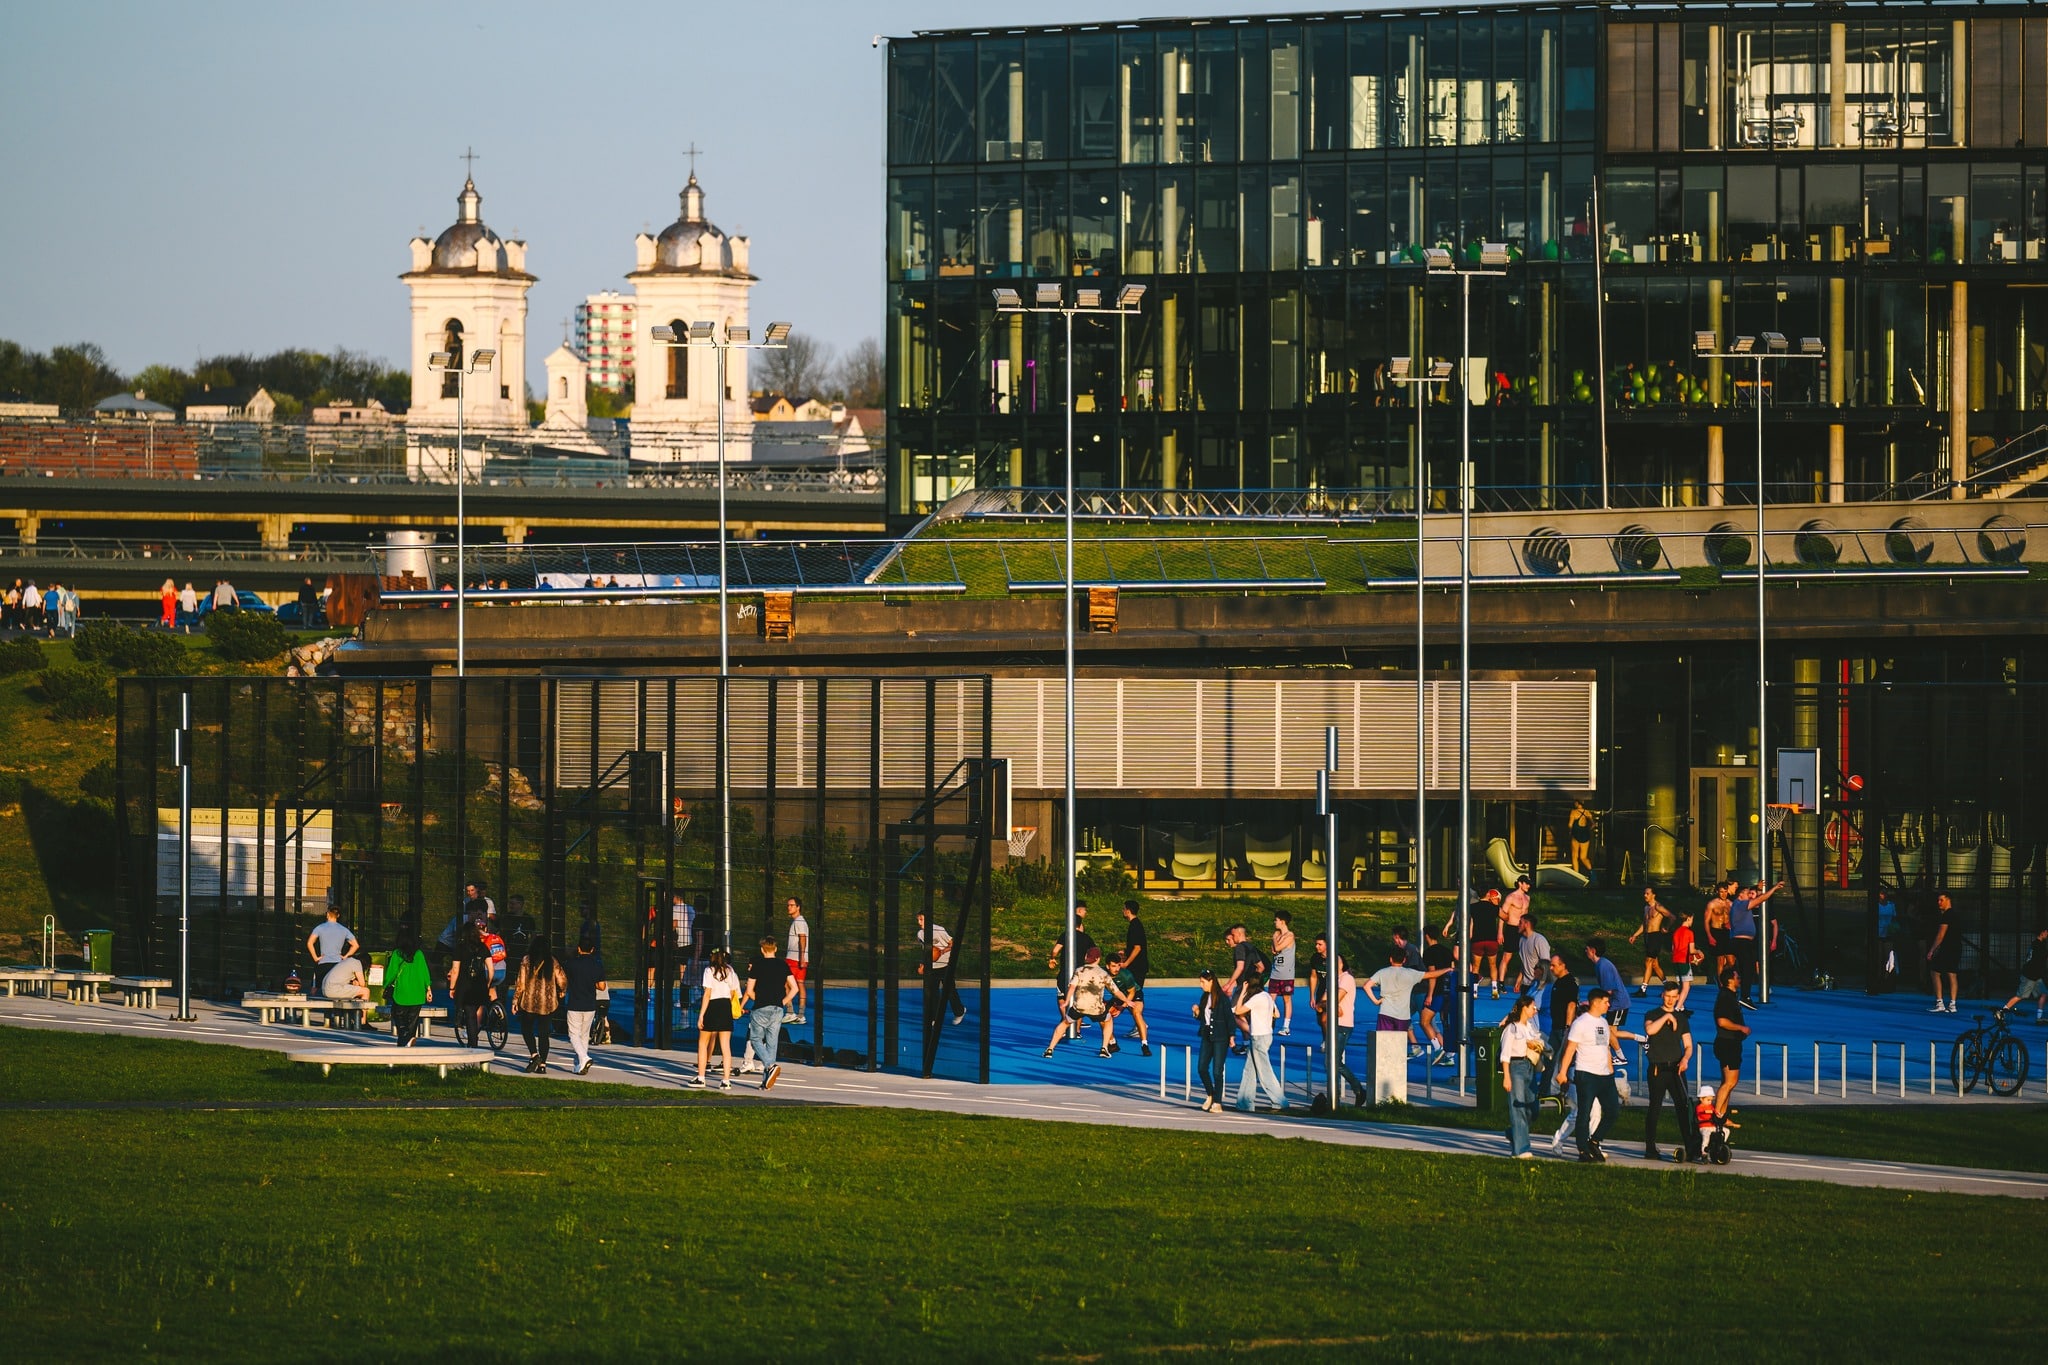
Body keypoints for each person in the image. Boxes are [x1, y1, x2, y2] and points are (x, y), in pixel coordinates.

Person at [1555, 988, 1638, 1162]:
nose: (1609, 1005)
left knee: (1612, 1111)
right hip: (1586, 1073)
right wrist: (1562, 1072)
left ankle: (1594, 1141)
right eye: (1606, 1002)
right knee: (1584, 1113)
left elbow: (1605, 1048)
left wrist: (1610, 1069)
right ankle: (1583, 1151)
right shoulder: (1581, 1023)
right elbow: (1570, 1049)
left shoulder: (1602, 1023)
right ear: (1596, 1002)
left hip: (1604, 1074)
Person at [1641, 980, 1700, 1162]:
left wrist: (1685, 1059)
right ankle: (1650, 1148)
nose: (1671, 1000)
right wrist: (1667, 1017)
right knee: (1655, 1108)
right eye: (1668, 996)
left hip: (1676, 1068)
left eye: (1674, 997)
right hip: (1658, 1068)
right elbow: (1650, 1029)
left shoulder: (1682, 1019)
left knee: (1683, 1107)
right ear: (1662, 995)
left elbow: (1688, 1045)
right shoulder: (1652, 1014)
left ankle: (1691, 1147)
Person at [1044, 946, 1127, 1058]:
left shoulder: (1079, 970)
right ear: (1098, 959)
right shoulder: (1103, 973)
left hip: (1079, 1006)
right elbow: (1116, 991)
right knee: (1108, 1020)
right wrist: (1127, 1001)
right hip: (1096, 1008)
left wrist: (1067, 1001)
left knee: (1064, 1023)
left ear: (1086, 957)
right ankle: (1104, 1048)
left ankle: (1050, 1049)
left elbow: (1072, 987)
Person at [1365, 944, 1453, 1043]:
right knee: (1399, 1043)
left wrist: (1376, 1001)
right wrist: (1446, 969)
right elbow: (1431, 974)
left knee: (1383, 1042)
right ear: (1404, 960)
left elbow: (1366, 986)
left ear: (1390, 959)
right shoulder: (1410, 973)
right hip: (1403, 1015)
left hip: (1386, 1012)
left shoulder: (1382, 972)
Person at [739, 936, 795, 1090]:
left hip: (760, 1007)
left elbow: (749, 991)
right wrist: (782, 1002)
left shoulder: (757, 965)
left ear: (762, 950)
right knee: (772, 1043)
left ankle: (770, 1066)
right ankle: (766, 1082)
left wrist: (760, 999)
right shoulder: (783, 965)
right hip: (778, 1008)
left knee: (756, 1039)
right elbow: (794, 988)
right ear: (775, 949)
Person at [511, 934, 567, 1074]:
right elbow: (562, 980)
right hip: (547, 1003)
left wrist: (515, 1001)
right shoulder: (552, 961)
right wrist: (561, 992)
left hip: (529, 1002)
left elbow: (520, 983)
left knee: (526, 1029)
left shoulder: (526, 960)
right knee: (544, 1034)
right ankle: (543, 1065)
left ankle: (534, 1055)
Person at [1232, 972, 1286, 1113]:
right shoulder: (1267, 996)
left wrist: (1243, 992)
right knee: (1249, 1071)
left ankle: (1280, 1100)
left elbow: (1238, 1011)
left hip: (1258, 1037)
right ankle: (1244, 1102)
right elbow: (1277, 1014)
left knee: (1264, 1071)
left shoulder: (1256, 999)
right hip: (1266, 1035)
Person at [1499, 994, 1544, 1158]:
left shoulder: (1530, 1027)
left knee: (1533, 1109)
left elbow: (1539, 1041)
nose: (1535, 1010)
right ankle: (1521, 1150)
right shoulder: (1512, 1028)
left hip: (1530, 1067)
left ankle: (1514, 1132)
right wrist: (1506, 1076)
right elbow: (1505, 1054)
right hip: (1515, 1067)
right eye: (1533, 1007)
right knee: (1518, 1108)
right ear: (1524, 1007)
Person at [1729, 879, 1785, 1006]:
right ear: (1740, 895)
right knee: (1747, 968)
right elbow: (1761, 899)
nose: (1750, 895)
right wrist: (1774, 888)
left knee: (1745, 968)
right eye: (1747, 893)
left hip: (1743, 942)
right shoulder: (1741, 904)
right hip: (1741, 942)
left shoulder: (1740, 904)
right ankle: (1744, 996)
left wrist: (1757, 887)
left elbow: (1758, 897)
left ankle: (1740, 994)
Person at [1048, 901, 1096, 1039]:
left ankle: (1065, 1022)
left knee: (1062, 998)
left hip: (1065, 973)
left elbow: (1055, 950)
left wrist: (1052, 958)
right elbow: (1094, 954)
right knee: (1078, 1001)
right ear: (1080, 925)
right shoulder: (1086, 938)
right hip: (1080, 974)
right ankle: (1077, 1030)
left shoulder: (1065, 935)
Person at [694, 949, 741, 1088]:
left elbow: (707, 994)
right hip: (725, 1006)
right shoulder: (730, 971)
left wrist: (701, 1015)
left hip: (713, 1006)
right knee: (726, 1046)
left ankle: (701, 1077)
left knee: (703, 1043)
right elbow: (734, 992)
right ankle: (726, 1081)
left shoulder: (709, 971)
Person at [563, 925, 607, 1075]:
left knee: (573, 1035)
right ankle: (579, 1065)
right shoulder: (597, 965)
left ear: (579, 949)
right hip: (590, 1004)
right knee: (584, 1035)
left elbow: (565, 981)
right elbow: (601, 986)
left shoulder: (571, 964)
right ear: (593, 949)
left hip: (575, 1002)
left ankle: (583, 1057)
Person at [1220, 923, 1269, 1053]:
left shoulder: (1240, 948)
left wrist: (1229, 984)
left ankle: (1254, 1034)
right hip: (1252, 986)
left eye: (1233, 934)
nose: (1232, 937)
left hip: (1243, 986)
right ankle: (1247, 1044)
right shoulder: (1251, 947)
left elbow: (1240, 967)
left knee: (1232, 1014)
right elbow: (1261, 967)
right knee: (1241, 1013)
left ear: (1239, 934)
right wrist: (1255, 982)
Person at [1710, 966, 1750, 1123]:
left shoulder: (1731, 996)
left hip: (1731, 1043)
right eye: (1737, 976)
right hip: (1727, 1043)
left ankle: (1723, 1115)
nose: (1739, 979)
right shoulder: (1725, 997)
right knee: (1730, 1082)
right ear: (1730, 980)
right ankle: (1716, 1116)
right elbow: (1722, 1021)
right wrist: (1741, 1028)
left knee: (1728, 1082)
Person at [451, 919, 499, 1048]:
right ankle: (474, 1039)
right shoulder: (483, 947)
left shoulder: (460, 948)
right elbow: (491, 969)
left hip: (465, 986)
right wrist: (488, 983)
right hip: (480, 985)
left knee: (470, 1015)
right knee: (476, 1011)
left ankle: (473, 1043)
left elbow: (455, 970)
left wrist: (452, 987)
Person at [384, 924, 432, 1047]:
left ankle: (405, 1036)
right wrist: (428, 988)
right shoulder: (419, 954)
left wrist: (385, 984)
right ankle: (408, 1040)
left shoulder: (397, 953)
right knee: (413, 1019)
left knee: (397, 1014)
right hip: (418, 991)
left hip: (402, 990)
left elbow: (392, 972)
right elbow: (424, 972)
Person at [1192, 970, 1233, 1111]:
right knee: (1202, 1068)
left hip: (1221, 1037)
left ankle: (1217, 1102)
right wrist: (1197, 1012)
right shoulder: (1204, 997)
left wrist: (1232, 1036)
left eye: (1203, 982)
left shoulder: (1222, 998)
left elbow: (1229, 1018)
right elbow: (1204, 1018)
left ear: (1211, 981)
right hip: (1207, 1035)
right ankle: (1210, 1094)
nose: (1201, 985)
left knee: (1217, 1070)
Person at [916, 911, 965, 1026]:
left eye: (921, 919)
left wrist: (941, 951)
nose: (919, 922)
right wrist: (922, 966)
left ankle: (960, 1012)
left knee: (949, 991)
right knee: (933, 993)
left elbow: (953, 944)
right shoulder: (920, 934)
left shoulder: (939, 930)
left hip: (946, 964)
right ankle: (935, 1018)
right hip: (932, 967)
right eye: (918, 920)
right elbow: (926, 952)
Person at [1416, 921, 1455, 1062]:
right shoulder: (1447, 950)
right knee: (1446, 1024)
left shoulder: (1429, 953)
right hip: (1448, 990)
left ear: (1427, 936)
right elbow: (1452, 969)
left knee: (1424, 1021)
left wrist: (1430, 995)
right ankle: (1450, 1055)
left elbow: (1432, 974)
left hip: (1437, 991)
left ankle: (1438, 1048)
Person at [1331, 954, 1366, 1108]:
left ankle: (1357, 1089)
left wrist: (1328, 1004)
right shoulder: (1332, 979)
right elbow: (1323, 1003)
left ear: (1342, 963)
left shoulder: (1346, 978)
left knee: (1334, 1062)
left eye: (1337, 960)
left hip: (1343, 1024)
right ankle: (1335, 1095)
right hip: (1333, 1023)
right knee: (1330, 1062)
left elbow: (1334, 1000)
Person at [1999, 927, 2048, 1024]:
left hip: (2035, 975)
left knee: (2044, 993)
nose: (2047, 934)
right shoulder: (2039, 945)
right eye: (2046, 932)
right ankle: (2001, 1012)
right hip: (2030, 975)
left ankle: (2039, 1018)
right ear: (2042, 933)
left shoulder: (2036, 944)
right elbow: (2041, 960)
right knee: (2020, 996)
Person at [1628, 886, 1672, 993]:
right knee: (1655, 965)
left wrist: (1666, 928)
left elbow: (1672, 917)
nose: (1645, 895)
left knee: (1648, 961)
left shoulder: (1658, 907)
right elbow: (1644, 924)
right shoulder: (1646, 908)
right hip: (1647, 937)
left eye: (1647, 893)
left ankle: (1643, 989)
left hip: (1655, 936)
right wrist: (1635, 935)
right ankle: (1668, 986)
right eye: (1644, 893)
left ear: (1653, 895)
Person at [306, 906, 360, 990]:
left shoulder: (320, 928)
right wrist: (345, 956)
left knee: (319, 989)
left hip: (323, 963)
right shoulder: (344, 930)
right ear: (338, 915)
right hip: (338, 964)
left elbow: (310, 943)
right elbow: (355, 945)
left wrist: (316, 958)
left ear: (327, 914)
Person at [1926, 892, 1962, 1013]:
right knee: (1952, 974)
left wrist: (1932, 950)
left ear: (1948, 900)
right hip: (1956, 947)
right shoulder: (1956, 915)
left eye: (1941, 900)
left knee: (1935, 972)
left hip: (1947, 948)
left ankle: (1939, 1002)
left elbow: (1941, 935)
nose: (1939, 903)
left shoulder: (1947, 915)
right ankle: (1952, 1005)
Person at [1585, 939, 1632, 1029]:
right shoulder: (1600, 964)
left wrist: (1592, 1002)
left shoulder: (1603, 966)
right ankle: (1642, 1039)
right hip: (1613, 1003)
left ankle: (1643, 1039)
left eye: (1587, 949)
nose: (1585, 951)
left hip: (1618, 1004)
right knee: (1610, 1032)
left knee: (1610, 1032)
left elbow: (1608, 991)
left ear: (1593, 951)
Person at [1498, 874, 1532, 993]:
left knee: (1525, 957)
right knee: (1507, 956)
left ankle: (1521, 982)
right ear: (1520, 883)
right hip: (1511, 928)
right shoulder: (1511, 897)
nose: (1528, 886)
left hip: (1523, 930)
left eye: (1529, 884)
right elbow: (1503, 915)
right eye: (1526, 883)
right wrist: (1500, 932)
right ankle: (1501, 983)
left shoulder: (1528, 898)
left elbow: (1526, 916)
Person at [1470, 887, 1504, 999]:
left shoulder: (1473, 907)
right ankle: (1494, 990)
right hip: (1491, 939)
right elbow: (1505, 917)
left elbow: (1471, 922)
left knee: (1475, 967)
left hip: (1477, 939)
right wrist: (1496, 904)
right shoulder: (1494, 908)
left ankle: (1474, 991)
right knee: (1493, 965)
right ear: (1489, 894)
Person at [1702, 881, 1735, 983]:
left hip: (1727, 932)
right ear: (1718, 892)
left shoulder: (1731, 904)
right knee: (1720, 960)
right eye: (1721, 892)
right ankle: (1721, 983)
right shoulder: (1712, 904)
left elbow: (1736, 919)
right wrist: (1710, 936)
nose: (1724, 894)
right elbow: (1706, 921)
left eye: (1725, 892)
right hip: (1716, 932)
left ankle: (1722, 975)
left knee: (1731, 962)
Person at [785, 896, 810, 1024]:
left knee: (785, 984)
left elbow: (802, 939)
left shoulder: (799, 922)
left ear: (798, 907)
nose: (789, 907)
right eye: (788, 905)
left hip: (794, 959)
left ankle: (790, 1012)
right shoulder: (800, 921)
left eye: (792, 905)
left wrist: (801, 958)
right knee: (800, 984)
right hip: (799, 958)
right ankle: (801, 1015)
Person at [1515, 914, 1552, 996]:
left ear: (1527, 924)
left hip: (1536, 985)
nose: (1518, 925)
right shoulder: (1521, 940)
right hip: (1525, 984)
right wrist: (1519, 978)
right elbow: (1524, 961)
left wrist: (1541, 985)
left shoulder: (1539, 940)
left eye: (1520, 923)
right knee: (1522, 1008)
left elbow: (1546, 964)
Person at [1670, 911, 1702, 988]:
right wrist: (1699, 951)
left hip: (1675, 960)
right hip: (1684, 961)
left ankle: (1675, 998)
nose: (1692, 921)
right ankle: (1678, 999)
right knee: (1686, 988)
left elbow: (1673, 948)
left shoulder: (1676, 932)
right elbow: (1691, 950)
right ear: (1688, 919)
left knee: (1681, 986)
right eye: (1692, 919)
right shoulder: (1689, 932)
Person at [1567, 800, 1595, 875]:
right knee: (1583, 857)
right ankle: (1593, 874)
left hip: (1576, 834)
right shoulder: (1587, 812)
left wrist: (1570, 832)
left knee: (1574, 856)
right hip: (1585, 835)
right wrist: (1587, 829)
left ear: (1577, 803)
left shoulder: (1573, 812)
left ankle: (1576, 875)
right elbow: (1593, 824)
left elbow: (1570, 825)